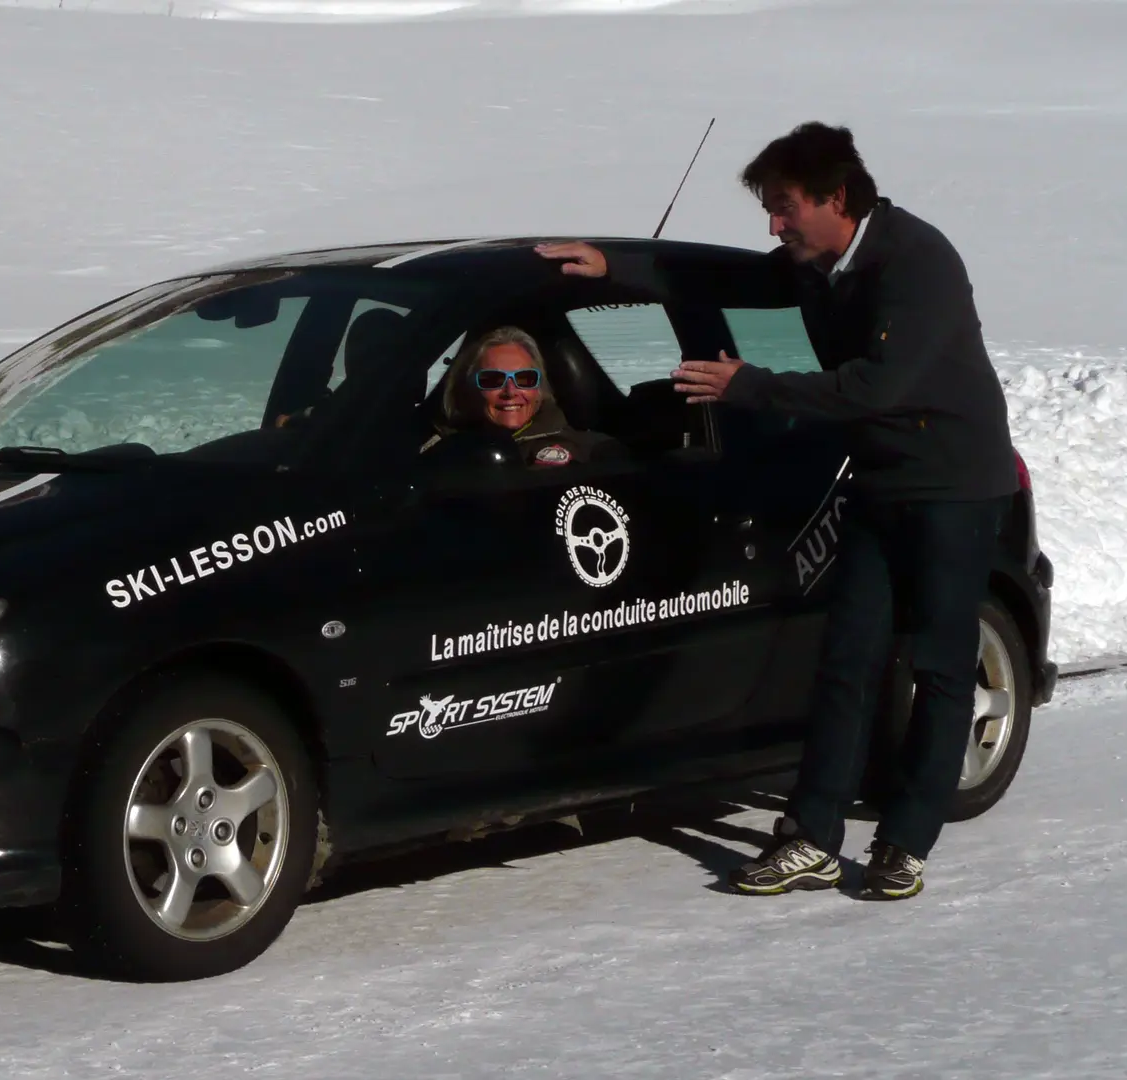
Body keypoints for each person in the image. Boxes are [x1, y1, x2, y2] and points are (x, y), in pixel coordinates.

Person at [539, 123, 1019, 901]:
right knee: (846, 660)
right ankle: (812, 837)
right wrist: (613, 266)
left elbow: (874, 388)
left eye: (784, 207)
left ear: (836, 198)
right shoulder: (817, 262)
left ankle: (906, 841)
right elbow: (727, 283)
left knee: (937, 663)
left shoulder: (917, 263)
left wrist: (748, 387)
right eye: (769, 208)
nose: (774, 224)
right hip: (879, 482)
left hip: (953, 486)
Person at [420, 325, 624, 466]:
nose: (510, 392)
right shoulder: (439, 450)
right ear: (468, 388)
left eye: (525, 379)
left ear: (538, 389)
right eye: (493, 380)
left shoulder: (590, 452)